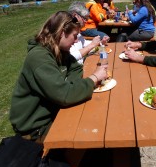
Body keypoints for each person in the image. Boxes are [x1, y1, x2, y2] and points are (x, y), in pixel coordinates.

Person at [9, 11, 108, 143]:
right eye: (74, 36)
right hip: (36, 128)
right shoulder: (39, 58)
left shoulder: (60, 51)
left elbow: (75, 68)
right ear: (62, 33)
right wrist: (94, 77)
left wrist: (70, 89)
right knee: (89, 133)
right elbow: (64, 95)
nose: (77, 40)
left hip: (54, 112)